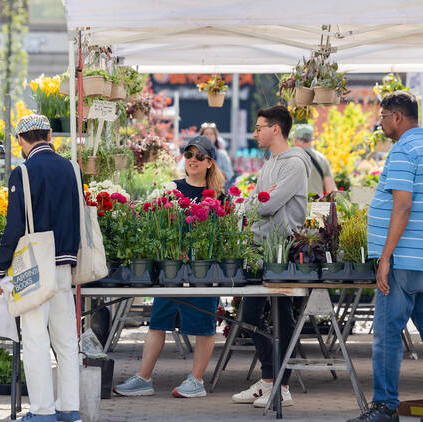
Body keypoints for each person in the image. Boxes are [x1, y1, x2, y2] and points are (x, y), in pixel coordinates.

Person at [347, 91, 423, 422]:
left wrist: (385, 257)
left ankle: (385, 408)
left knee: (389, 335)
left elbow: (402, 205)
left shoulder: (404, 150)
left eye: (382, 117)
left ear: (397, 117)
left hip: (404, 259)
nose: (379, 123)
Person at [114, 135, 225, 399]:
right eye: (189, 155)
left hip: (203, 270)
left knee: (204, 324)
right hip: (171, 268)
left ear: (210, 162)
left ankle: (196, 380)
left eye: (199, 156)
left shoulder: (219, 196)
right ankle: (143, 378)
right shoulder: (172, 189)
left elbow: (223, 234)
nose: (193, 161)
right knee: (158, 322)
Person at [0, 114, 82, 422]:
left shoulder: (24, 172)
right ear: (50, 134)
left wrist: (0, 269)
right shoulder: (72, 168)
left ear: (20, 140)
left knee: (35, 339)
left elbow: (13, 225)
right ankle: (70, 408)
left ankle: (42, 411)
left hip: (34, 267)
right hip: (65, 264)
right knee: (67, 340)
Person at [231, 105, 310, 408]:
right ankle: (269, 380)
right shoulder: (270, 163)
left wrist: (261, 200)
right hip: (261, 248)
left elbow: (264, 206)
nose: (255, 133)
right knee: (250, 316)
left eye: (259, 126)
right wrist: (259, 200)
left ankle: (282, 385)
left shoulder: (294, 164)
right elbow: (255, 200)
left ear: (275, 129)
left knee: (281, 313)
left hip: (283, 249)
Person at [291, 123, 337, 196]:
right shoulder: (322, 158)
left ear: (295, 140)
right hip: (317, 205)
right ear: (312, 139)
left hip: (297, 205)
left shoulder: (289, 157)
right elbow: (331, 189)